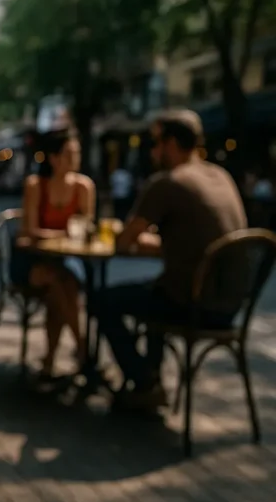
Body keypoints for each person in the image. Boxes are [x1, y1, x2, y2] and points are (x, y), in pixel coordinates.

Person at [97, 109, 247, 410]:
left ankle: (143, 381)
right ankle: (150, 379)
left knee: (102, 300)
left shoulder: (169, 182)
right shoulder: (221, 175)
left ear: (172, 143)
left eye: (155, 142)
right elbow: (194, 242)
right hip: (231, 306)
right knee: (158, 288)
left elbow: (125, 242)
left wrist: (132, 238)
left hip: (193, 305)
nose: (151, 151)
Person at [12, 128, 96, 378]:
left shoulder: (84, 187)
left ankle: (51, 360)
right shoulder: (36, 185)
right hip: (29, 261)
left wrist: (60, 234)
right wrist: (63, 234)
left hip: (61, 261)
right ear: (53, 158)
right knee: (59, 281)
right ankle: (82, 347)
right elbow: (29, 231)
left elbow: (85, 227)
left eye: (77, 154)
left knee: (62, 287)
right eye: (69, 154)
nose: (75, 159)